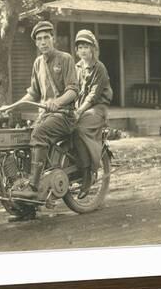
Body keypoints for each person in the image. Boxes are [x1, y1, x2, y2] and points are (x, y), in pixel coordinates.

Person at [11, 21, 79, 211]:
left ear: (53, 39)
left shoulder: (65, 59)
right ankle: (28, 204)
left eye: (46, 38)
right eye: (39, 39)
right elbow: (33, 92)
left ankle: (33, 187)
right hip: (46, 116)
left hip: (65, 115)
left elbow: (73, 90)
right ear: (36, 43)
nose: (43, 42)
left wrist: (57, 102)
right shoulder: (38, 63)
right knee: (24, 139)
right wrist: (13, 105)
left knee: (39, 134)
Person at [72, 29, 113, 199]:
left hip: (97, 108)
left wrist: (79, 111)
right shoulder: (77, 67)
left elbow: (93, 95)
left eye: (86, 47)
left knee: (79, 129)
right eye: (80, 47)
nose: (83, 50)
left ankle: (88, 173)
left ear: (93, 49)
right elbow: (72, 89)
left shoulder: (99, 68)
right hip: (82, 107)